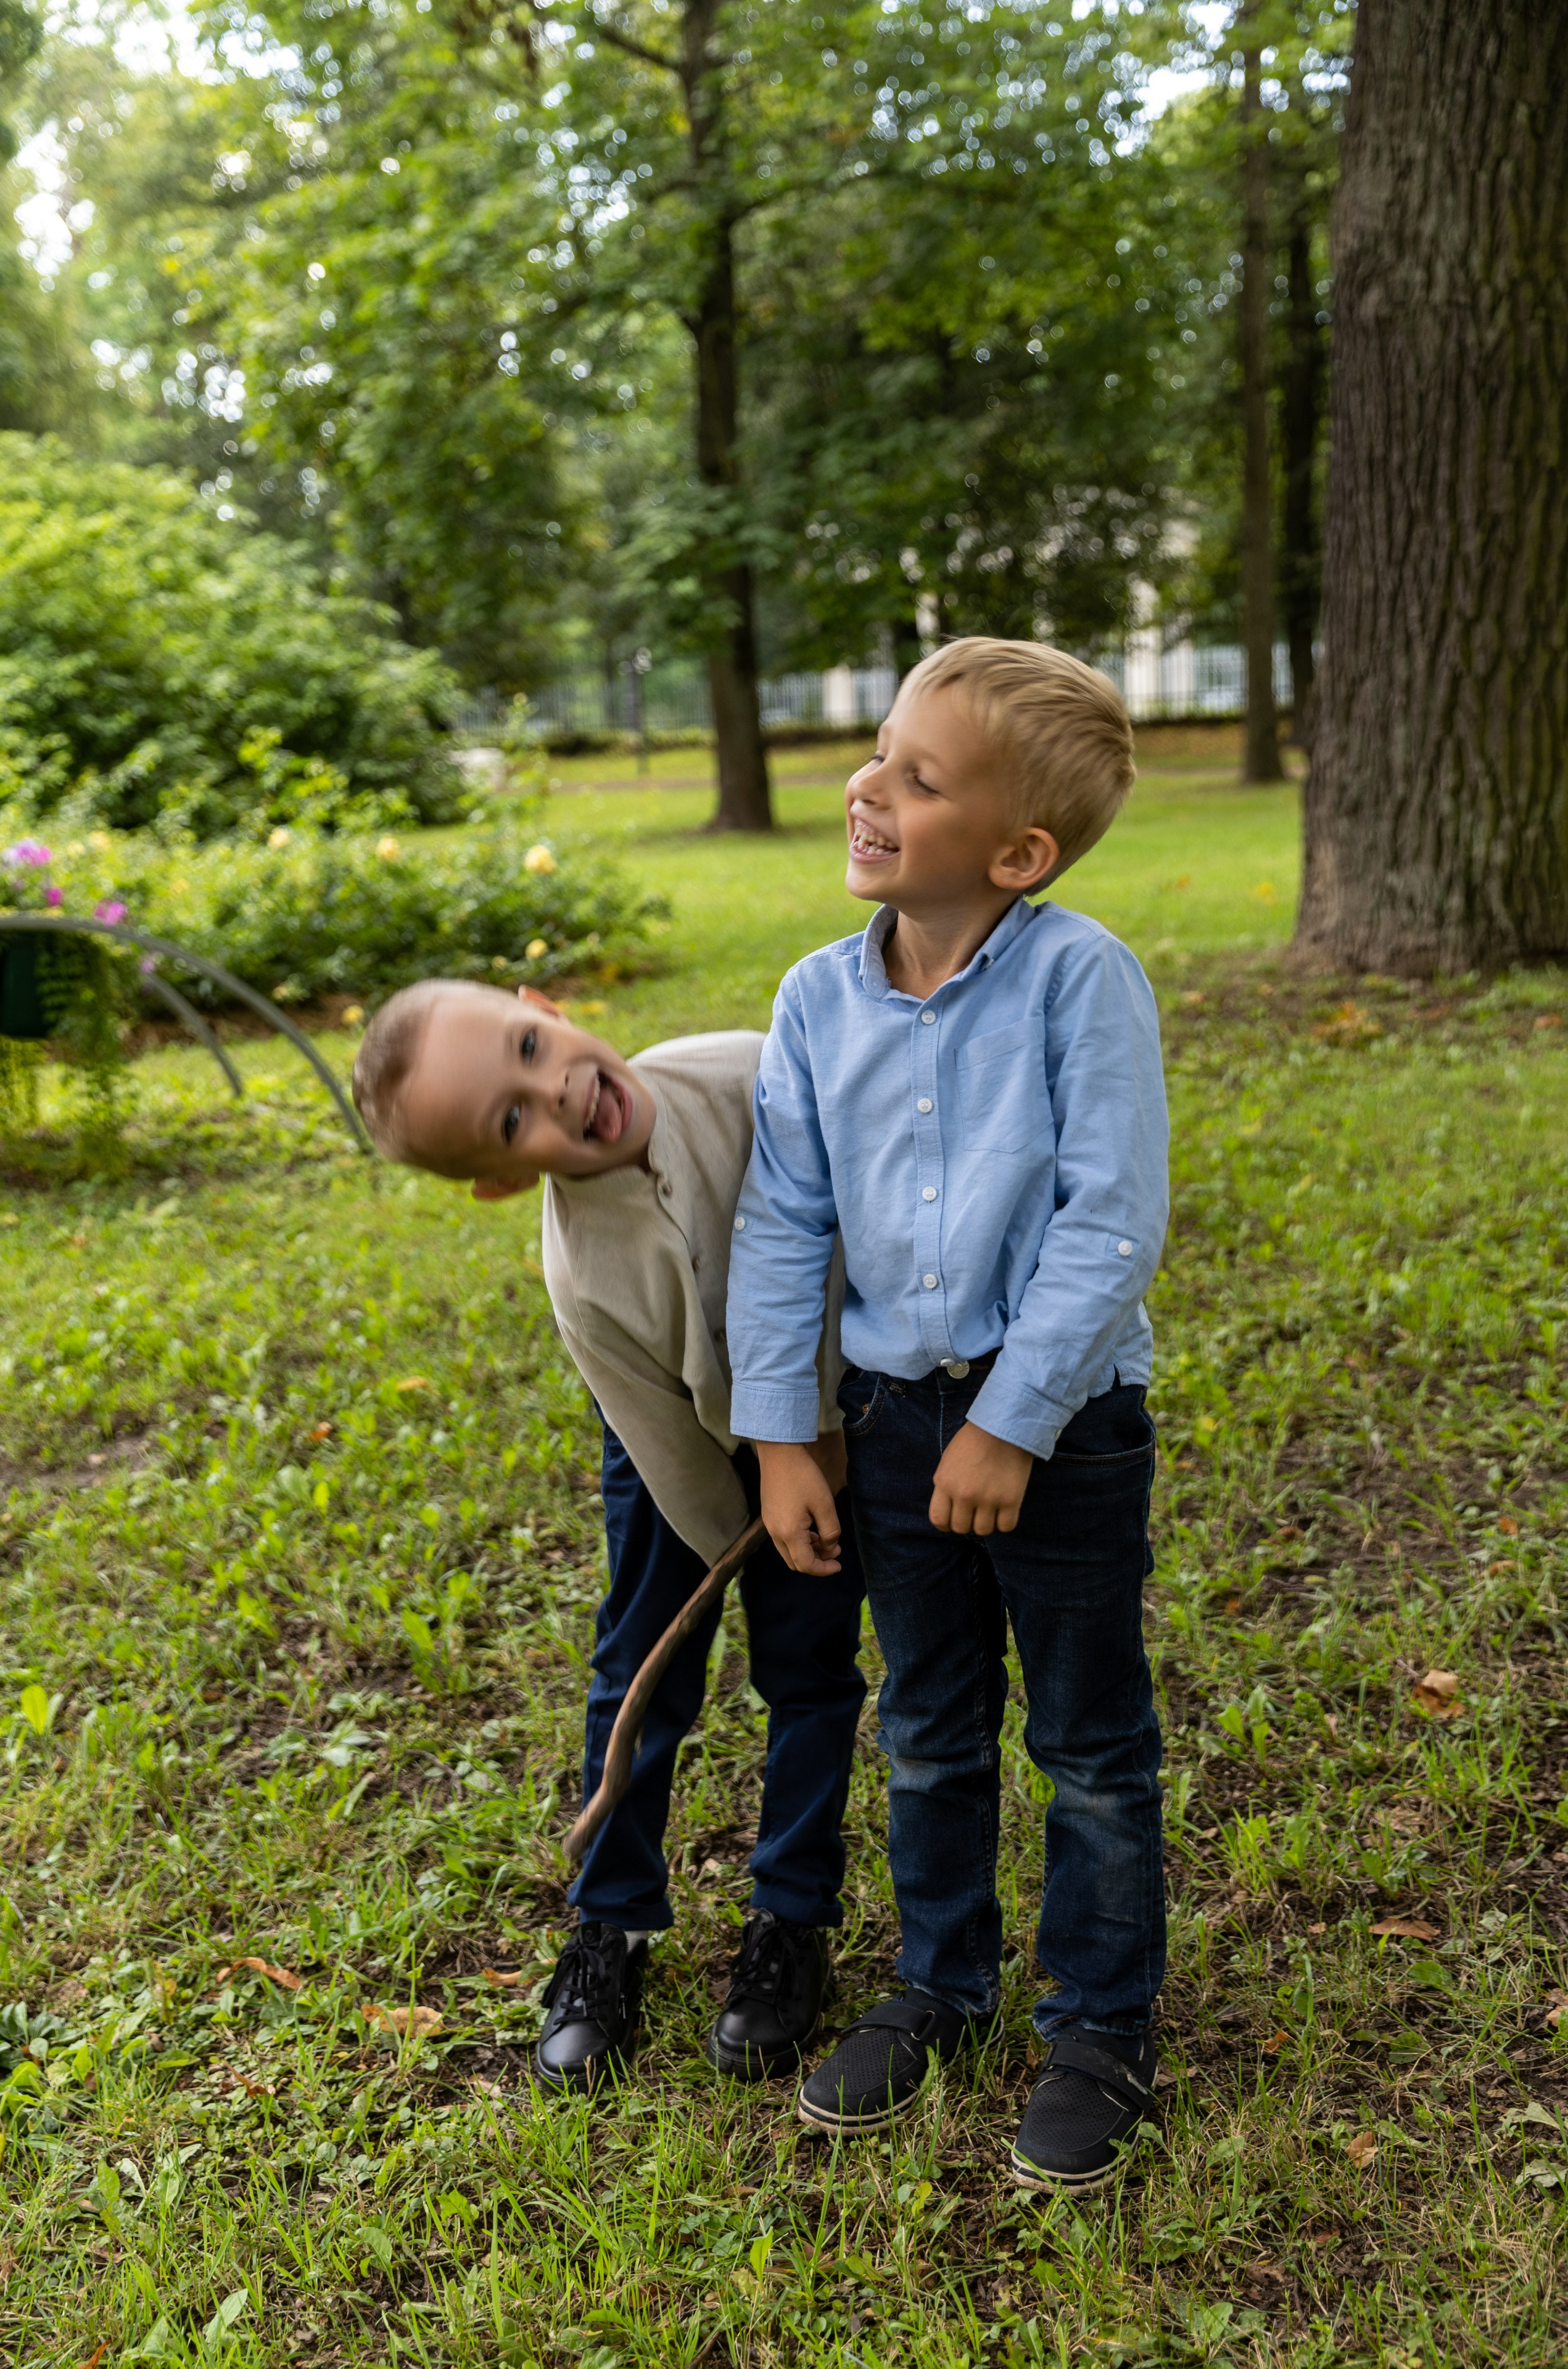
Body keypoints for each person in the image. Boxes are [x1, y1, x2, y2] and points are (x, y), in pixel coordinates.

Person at [726, 637, 1170, 2193]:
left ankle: (1099, 2023)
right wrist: (785, 1436)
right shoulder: (811, 1001)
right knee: (924, 1726)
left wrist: (1017, 1418)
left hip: (1061, 1432)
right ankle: (939, 1983)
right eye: (877, 751)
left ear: (1015, 850)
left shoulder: (1077, 981)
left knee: (1088, 1738)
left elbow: (1111, 1220)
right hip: (891, 1427)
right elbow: (783, 1224)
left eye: (918, 778)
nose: (869, 787)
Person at [351, 985, 865, 2093]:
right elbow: (669, 1450)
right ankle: (613, 1924)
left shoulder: (750, 1070)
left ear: (545, 1007)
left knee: (810, 1669)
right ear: (499, 1178)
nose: (560, 1091)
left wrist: (811, 1452)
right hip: (673, 1443)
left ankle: (789, 1918)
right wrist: (749, 1533)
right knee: (642, 1665)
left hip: (828, 1432)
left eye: (531, 1047)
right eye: (510, 1119)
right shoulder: (582, 1277)